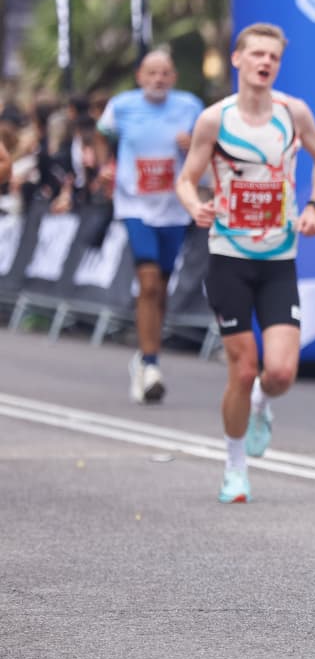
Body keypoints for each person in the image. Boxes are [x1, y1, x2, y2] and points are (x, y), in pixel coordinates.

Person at [175, 23, 315, 504]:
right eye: (257, 55)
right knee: (243, 370)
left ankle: (263, 404)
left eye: (274, 57)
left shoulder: (293, 113)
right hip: (228, 257)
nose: (265, 63)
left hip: (278, 258)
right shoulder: (215, 120)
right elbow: (187, 179)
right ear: (237, 60)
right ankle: (234, 467)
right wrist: (194, 206)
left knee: (280, 373)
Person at [97, 50, 203, 404]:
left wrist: (191, 148)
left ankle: (144, 358)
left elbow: (205, 149)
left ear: (173, 78)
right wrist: (105, 167)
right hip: (135, 204)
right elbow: (101, 136)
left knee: (162, 285)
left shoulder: (190, 106)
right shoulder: (121, 106)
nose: (158, 79)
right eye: (151, 73)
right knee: (147, 281)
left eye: (165, 73)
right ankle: (152, 363)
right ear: (140, 76)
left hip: (174, 207)